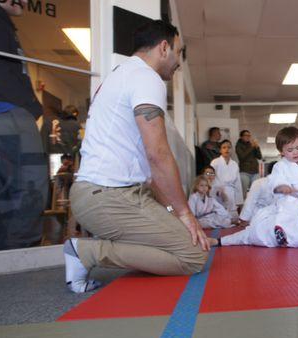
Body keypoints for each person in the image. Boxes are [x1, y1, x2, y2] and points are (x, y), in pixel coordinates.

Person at [67, 20, 209, 293]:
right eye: (178, 53)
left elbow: (148, 168)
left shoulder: (123, 74)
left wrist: (173, 215)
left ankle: (90, 249)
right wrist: (184, 213)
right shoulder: (146, 77)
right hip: (106, 196)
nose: (179, 62)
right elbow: (158, 155)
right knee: (193, 256)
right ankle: (88, 252)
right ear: (164, 47)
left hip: (105, 195)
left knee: (183, 239)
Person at [0, 0, 48, 251]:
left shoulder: (1, 22)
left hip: (7, 112)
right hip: (6, 112)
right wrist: (29, 105)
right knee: (25, 200)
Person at [210, 139, 243, 218]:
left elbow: (237, 182)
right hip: (218, 191)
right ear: (220, 150)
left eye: (229, 147)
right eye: (224, 147)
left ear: (231, 150)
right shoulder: (215, 162)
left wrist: (239, 200)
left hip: (231, 191)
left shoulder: (234, 164)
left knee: (233, 217)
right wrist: (217, 190)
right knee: (219, 214)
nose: (227, 149)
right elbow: (210, 177)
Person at [235, 129, 262, 198]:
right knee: (243, 191)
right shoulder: (238, 146)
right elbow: (242, 157)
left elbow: (259, 157)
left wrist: (257, 147)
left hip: (255, 172)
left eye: (249, 135)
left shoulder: (251, 145)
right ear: (241, 137)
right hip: (244, 172)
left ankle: (255, 205)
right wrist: (252, 147)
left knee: (257, 190)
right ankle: (243, 206)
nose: (248, 137)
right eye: (246, 135)